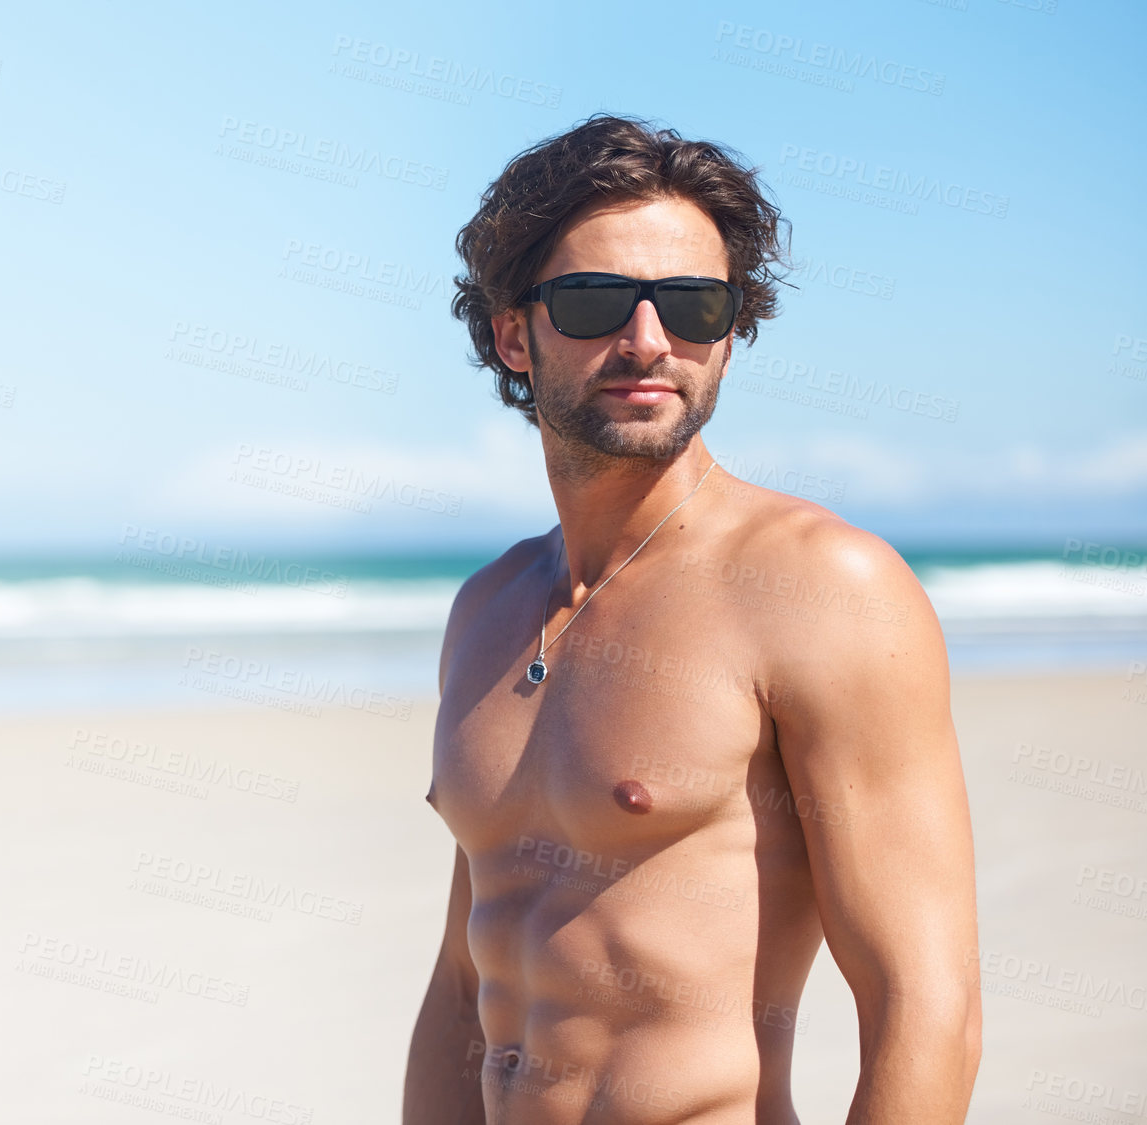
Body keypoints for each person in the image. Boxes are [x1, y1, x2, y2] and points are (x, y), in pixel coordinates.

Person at [403, 114, 981, 1124]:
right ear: (511, 335)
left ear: (727, 330)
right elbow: (464, 984)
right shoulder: (487, 610)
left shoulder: (820, 587)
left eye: (691, 304)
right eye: (591, 302)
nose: (645, 341)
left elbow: (924, 1004)